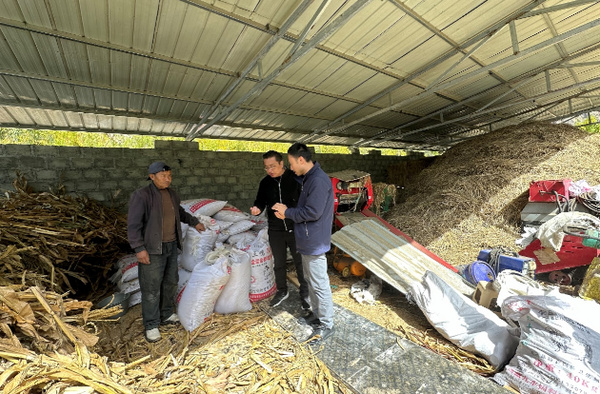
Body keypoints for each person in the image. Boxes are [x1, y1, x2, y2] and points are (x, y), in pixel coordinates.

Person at [127, 161, 205, 343]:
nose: (168, 179)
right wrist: (139, 248)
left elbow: (179, 213)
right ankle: (152, 324)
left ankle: (167, 314)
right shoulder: (142, 195)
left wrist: (194, 222)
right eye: (163, 176)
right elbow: (133, 225)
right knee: (151, 288)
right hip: (152, 249)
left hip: (170, 246)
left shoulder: (171, 194)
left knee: (170, 282)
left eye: (170, 176)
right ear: (152, 177)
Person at [272, 143, 335, 344]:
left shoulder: (317, 180)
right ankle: (316, 314)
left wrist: (287, 212)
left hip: (315, 241)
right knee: (310, 281)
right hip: (308, 240)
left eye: (291, 163)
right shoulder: (309, 178)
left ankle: (326, 324)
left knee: (320, 284)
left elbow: (312, 212)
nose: (290, 168)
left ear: (301, 159)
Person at [250, 150, 310, 309]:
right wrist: (257, 207)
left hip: (294, 227)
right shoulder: (265, 182)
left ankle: (305, 294)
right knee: (279, 262)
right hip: (275, 229)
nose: (270, 170)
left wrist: (291, 214)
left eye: (272, 166)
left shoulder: (295, 178)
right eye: (266, 167)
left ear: (281, 163)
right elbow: (260, 200)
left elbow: (303, 203)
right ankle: (282, 291)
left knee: (300, 262)